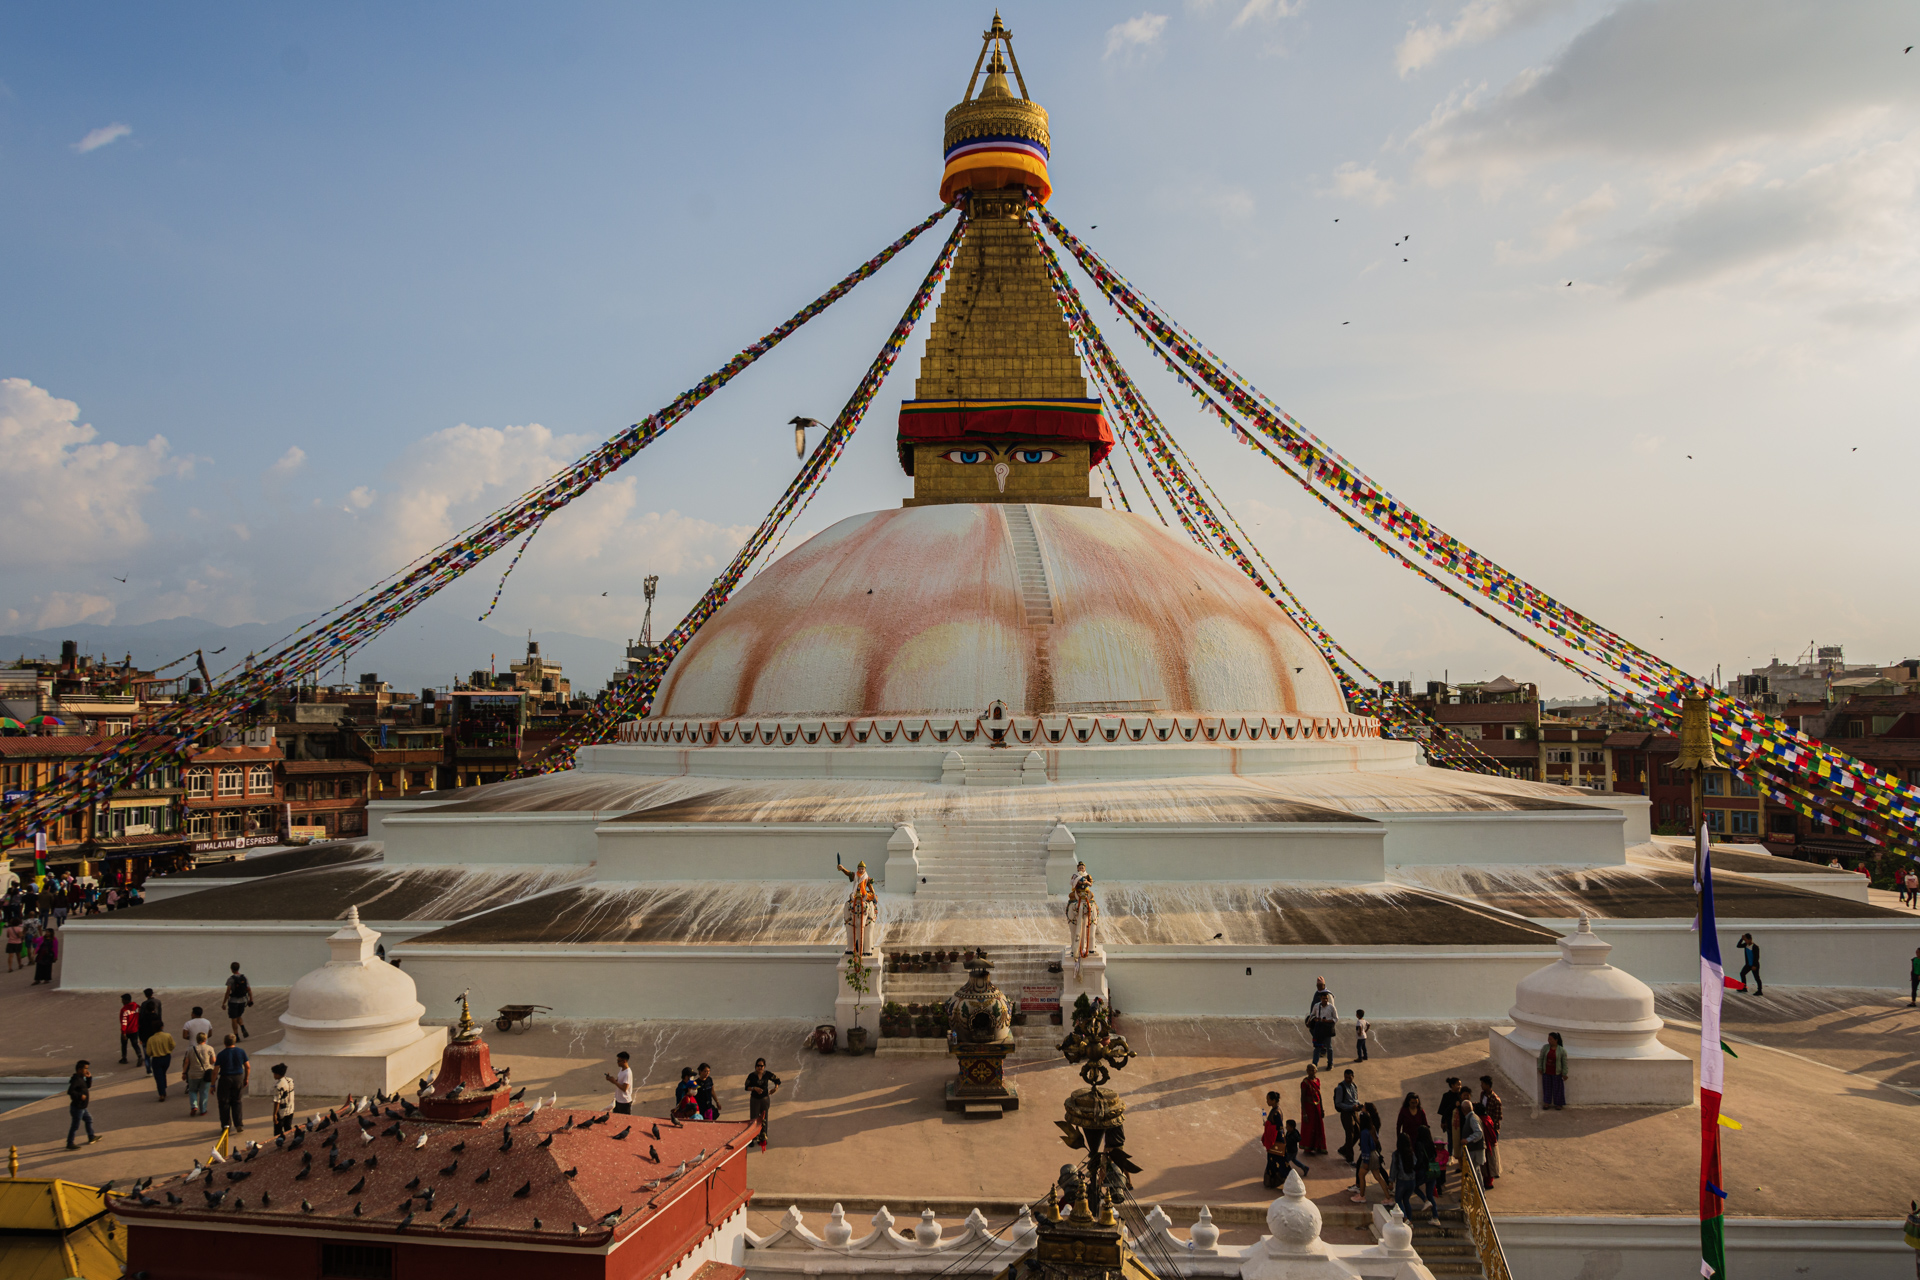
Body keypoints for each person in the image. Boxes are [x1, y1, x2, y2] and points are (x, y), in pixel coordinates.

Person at [1350, 1102, 1385, 1204]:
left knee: (1361, 1175)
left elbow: (1365, 1148)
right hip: (1374, 1153)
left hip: (1369, 1156)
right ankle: (1388, 1196)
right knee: (1378, 1176)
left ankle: (1361, 1195)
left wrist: (1365, 1161)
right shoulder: (1371, 1127)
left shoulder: (1364, 1133)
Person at [215, 1033, 249, 1131]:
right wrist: (246, 1078)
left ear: (224, 1043)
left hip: (225, 1078)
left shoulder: (221, 1054)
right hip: (238, 1078)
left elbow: (215, 1070)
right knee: (237, 1101)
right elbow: (247, 1066)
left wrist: (212, 1084)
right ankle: (238, 1124)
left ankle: (226, 1126)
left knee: (224, 1102)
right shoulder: (241, 1052)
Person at [745, 1058, 781, 1150]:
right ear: (755, 1066)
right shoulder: (751, 1076)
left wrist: (775, 1088)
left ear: (764, 1066)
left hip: (764, 1099)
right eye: (758, 1066)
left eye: (761, 1066)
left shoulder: (767, 1074)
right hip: (755, 1100)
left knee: (764, 1118)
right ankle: (752, 1138)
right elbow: (746, 1087)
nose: (760, 1067)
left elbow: (777, 1080)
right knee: (754, 1119)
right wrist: (754, 1088)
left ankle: (763, 1137)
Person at [65, 1059, 100, 1150]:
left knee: (89, 1119)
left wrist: (89, 1078)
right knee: (75, 1126)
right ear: (79, 1069)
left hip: (82, 1107)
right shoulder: (76, 1080)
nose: (87, 1070)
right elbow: (70, 1091)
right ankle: (70, 1143)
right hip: (77, 1108)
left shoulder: (81, 1079)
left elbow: (87, 1086)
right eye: (85, 1069)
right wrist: (80, 1096)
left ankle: (91, 1137)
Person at [1389, 1131, 1421, 1221]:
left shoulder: (1396, 1154)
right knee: (1406, 1200)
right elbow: (1415, 1163)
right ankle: (1410, 1220)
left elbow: (1393, 1169)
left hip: (1402, 1180)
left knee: (1398, 1200)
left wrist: (1391, 1180)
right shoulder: (1411, 1153)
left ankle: (1405, 1219)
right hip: (1412, 1181)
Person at [1478, 1075, 1503, 1185]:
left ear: (1488, 1085)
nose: (1481, 1086)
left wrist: (1488, 1124)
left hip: (1492, 1129)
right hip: (1484, 1126)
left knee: (1493, 1152)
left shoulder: (1495, 1100)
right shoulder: (1483, 1095)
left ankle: (1495, 1171)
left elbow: (1498, 1117)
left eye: (1483, 1084)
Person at [185, 1031, 216, 1118]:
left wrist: (184, 1072)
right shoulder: (210, 1048)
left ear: (197, 1039)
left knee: (192, 1090)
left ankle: (194, 1106)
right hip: (206, 1074)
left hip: (193, 1074)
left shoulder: (190, 1049)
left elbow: (187, 1062)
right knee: (204, 1092)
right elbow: (213, 1061)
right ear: (205, 1039)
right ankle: (203, 1110)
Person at [1298, 1064, 1328, 1155]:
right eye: (1310, 1070)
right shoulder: (1305, 1083)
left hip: (1317, 1106)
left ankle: (1319, 1146)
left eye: (1313, 1070)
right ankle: (1308, 1148)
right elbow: (1302, 1098)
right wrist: (1304, 1113)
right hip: (1309, 1107)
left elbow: (1319, 1095)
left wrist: (1322, 1109)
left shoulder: (1317, 1081)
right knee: (1309, 1127)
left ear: (1316, 1071)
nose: (1311, 1072)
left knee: (1318, 1126)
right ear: (1307, 1071)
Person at [1332, 1068, 1360, 1162]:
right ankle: (1349, 1158)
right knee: (1349, 1134)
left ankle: (1344, 1149)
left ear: (1353, 1077)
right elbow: (1338, 1103)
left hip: (1354, 1112)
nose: (1348, 1079)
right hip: (1346, 1113)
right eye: (1346, 1077)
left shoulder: (1354, 1086)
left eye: (1349, 1077)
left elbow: (1355, 1099)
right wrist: (1351, 1107)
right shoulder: (1340, 1088)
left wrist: (1358, 1105)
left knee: (1358, 1132)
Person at [1260, 1090, 1287, 1189]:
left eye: (1268, 1099)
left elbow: (1279, 1127)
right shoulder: (1275, 1110)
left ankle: (1275, 1180)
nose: (1267, 1101)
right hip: (1275, 1140)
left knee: (1275, 1161)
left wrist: (1268, 1125)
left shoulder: (1276, 1113)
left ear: (1273, 1100)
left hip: (1276, 1141)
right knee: (1273, 1160)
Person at [1538, 1030, 1569, 1109]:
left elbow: (1564, 1063)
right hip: (1547, 1071)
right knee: (1547, 1088)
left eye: (1551, 1039)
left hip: (1557, 1072)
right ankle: (1547, 1103)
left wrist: (1564, 1073)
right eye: (1548, 1039)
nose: (1549, 1041)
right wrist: (1540, 1067)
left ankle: (1558, 1103)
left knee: (1557, 1089)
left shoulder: (1561, 1050)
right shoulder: (1545, 1048)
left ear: (1556, 1040)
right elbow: (1541, 1058)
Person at [1306, 992, 1337, 1071]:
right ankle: (1314, 1065)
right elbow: (1312, 1015)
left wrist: (1327, 1021)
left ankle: (1330, 1063)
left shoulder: (1331, 1007)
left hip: (1327, 1029)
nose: (1325, 1000)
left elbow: (1336, 1018)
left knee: (1329, 1047)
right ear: (1321, 998)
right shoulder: (1316, 1006)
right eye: (1324, 998)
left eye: (1327, 998)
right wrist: (1315, 1019)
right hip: (1319, 1029)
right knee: (1317, 1047)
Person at [145, 1025, 176, 1101]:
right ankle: (163, 1088)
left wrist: (154, 1052)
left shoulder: (151, 1039)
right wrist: (168, 1050)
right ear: (162, 1027)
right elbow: (173, 1045)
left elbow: (148, 1052)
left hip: (156, 1059)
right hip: (166, 1057)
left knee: (159, 1076)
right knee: (163, 1073)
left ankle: (162, 1093)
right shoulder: (167, 1036)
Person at [224, 962, 253, 1040]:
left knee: (234, 1018)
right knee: (238, 1015)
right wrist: (251, 999)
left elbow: (228, 991)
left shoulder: (231, 979)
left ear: (231, 969)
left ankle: (236, 1036)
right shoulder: (244, 978)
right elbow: (249, 989)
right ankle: (242, 1027)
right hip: (243, 1001)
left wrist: (224, 1003)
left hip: (233, 1001)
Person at [1280, 1118, 1310, 1182]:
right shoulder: (1290, 1132)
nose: (1286, 1127)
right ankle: (1304, 1168)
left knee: (1285, 1161)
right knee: (1294, 1160)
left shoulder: (1293, 1135)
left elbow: (1290, 1141)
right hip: (1292, 1151)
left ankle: (1285, 1173)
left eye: (1287, 1126)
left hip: (1291, 1151)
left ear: (1291, 1127)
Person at [270, 1064, 296, 1136]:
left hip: (282, 1111)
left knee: (278, 1132)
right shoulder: (290, 1080)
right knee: (288, 1129)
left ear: (278, 1074)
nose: (274, 1075)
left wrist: (275, 1114)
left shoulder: (278, 1086)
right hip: (290, 1109)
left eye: (274, 1074)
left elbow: (277, 1101)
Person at [119, 994, 145, 1065]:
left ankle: (124, 1058)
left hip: (127, 1030)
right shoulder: (137, 1007)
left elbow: (124, 1022)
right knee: (135, 1044)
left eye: (123, 1000)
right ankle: (139, 1056)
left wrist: (123, 1032)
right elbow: (140, 1016)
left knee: (124, 1044)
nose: (122, 1001)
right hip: (135, 1029)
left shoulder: (124, 1010)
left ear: (126, 1000)